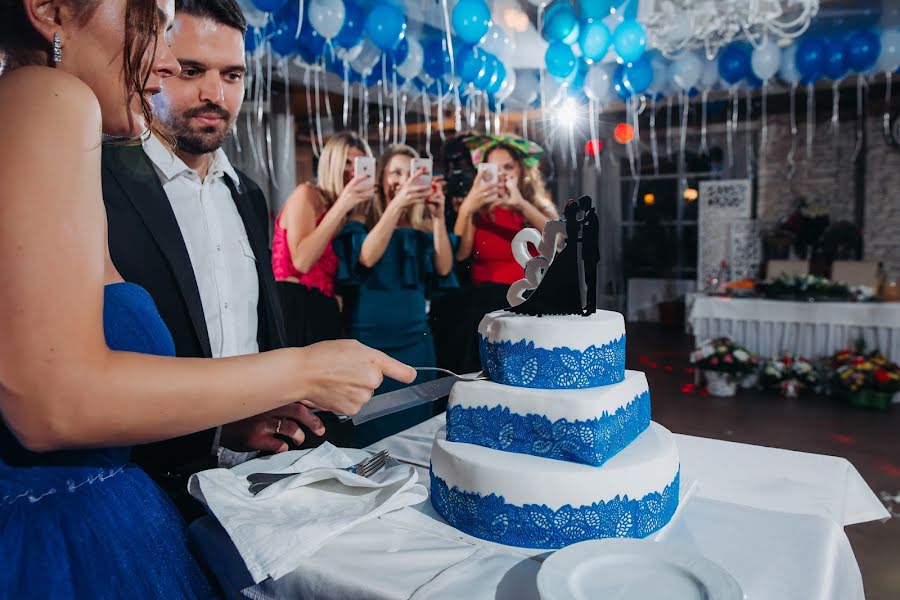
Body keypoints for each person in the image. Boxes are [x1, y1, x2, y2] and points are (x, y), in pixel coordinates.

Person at [0, 1, 415, 596]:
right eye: (152, 24)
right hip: (64, 535)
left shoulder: (245, 192)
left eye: (230, 73)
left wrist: (238, 416)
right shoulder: (47, 99)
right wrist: (302, 368)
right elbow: (51, 400)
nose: (163, 62)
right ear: (48, 11)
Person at [101, 0, 296, 518]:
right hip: (147, 495)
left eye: (232, 75)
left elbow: (256, 330)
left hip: (258, 480)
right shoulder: (100, 181)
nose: (215, 93)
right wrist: (210, 431)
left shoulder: (248, 194)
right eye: (192, 71)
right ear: (155, 63)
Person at [335, 144, 457, 443]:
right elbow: (367, 257)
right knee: (369, 432)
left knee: (412, 433)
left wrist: (439, 218)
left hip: (416, 343)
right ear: (382, 177)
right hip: (371, 344)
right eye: (396, 172)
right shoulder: (362, 222)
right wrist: (397, 205)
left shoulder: (421, 229)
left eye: (411, 172)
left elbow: (444, 269)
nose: (403, 179)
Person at [454, 134, 558, 373]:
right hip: (484, 308)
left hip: (528, 304)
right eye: (493, 167)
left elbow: (561, 242)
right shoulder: (476, 210)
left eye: (508, 167)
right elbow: (460, 254)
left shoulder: (537, 206)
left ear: (522, 171)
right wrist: (469, 206)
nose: (501, 174)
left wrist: (521, 204)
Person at [273, 131, 375, 346]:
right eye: (346, 162)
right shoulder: (307, 194)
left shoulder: (345, 213)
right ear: (331, 163)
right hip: (295, 305)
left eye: (358, 165)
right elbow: (302, 261)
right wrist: (344, 204)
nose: (351, 171)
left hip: (325, 308)